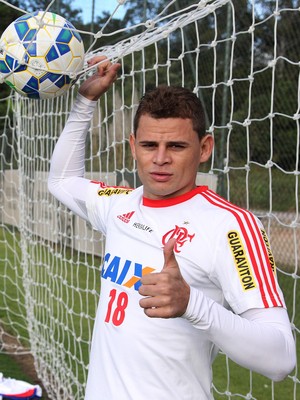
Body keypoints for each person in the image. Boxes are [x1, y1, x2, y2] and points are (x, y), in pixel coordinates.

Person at [48, 56, 296, 400]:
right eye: (150, 145)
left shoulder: (230, 226)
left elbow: (281, 357)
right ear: (134, 146)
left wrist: (191, 302)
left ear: (204, 148)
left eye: (176, 146)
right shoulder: (120, 204)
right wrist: (86, 100)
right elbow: (62, 180)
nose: (160, 158)